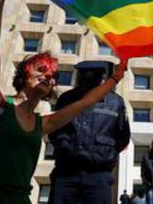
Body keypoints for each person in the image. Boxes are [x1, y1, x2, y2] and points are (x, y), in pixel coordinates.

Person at [0, 0, 127, 204]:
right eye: (42, 69)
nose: (49, 77)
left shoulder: (42, 124)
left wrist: (116, 77)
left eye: (54, 75)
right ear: (24, 74)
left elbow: (87, 102)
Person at [48, 60, 131, 204]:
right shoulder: (66, 98)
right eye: (84, 74)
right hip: (66, 172)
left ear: (102, 77)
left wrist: (105, 153)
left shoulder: (116, 102)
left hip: (99, 174)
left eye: (93, 75)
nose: (88, 78)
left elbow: (123, 136)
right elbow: (54, 130)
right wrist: (65, 146)